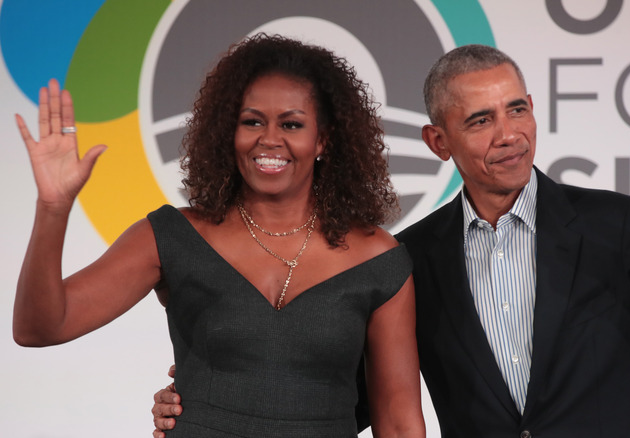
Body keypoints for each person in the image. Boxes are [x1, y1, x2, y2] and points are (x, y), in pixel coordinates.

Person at [152, 44, 630, 437]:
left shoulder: (616, 226)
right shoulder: (408, 258)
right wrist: (208, 401)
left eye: (517, 109)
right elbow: (356, 405)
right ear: (438, 142)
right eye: (481, 120)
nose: (509, 135)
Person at [13, 34, 425, 438]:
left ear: (323, 139)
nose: (269, 139)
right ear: (228, 132)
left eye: (292, 124)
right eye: (251, 122)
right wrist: (53, 208)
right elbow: (41, 327)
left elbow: (400, 422)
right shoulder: (172, 236)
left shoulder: (377, 260)